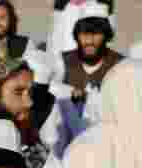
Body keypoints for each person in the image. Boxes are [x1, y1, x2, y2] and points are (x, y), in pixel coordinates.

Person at [49, 3, 122, 141]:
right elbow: (48, 86)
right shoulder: (64, 60)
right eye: (84, 34)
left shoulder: (119, 64)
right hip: (67, 136)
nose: (89, 41)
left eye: (96, 34)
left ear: (106, 36)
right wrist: (71, 92)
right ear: (76, 36)